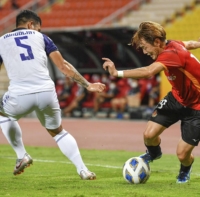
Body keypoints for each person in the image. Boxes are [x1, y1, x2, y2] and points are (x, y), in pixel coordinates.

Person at [0, 10, 105, 180]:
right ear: (30, 25)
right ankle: (83, 170)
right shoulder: (42, 38)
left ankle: (21, 155)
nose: (39, 31)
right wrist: (87, 85)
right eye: (38, 28)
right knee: (58, 132)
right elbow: (63, 66)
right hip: (46, 93)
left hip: (19, 95)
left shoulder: (1, 41)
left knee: (3, 115)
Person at [102, 21, 200, 183]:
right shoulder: (173, 45)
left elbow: (148, 72)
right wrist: (197, 43)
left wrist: (116, 72)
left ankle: (185, 169)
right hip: (176, 98)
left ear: (156, 42)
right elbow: (187, 43)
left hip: (197, 107)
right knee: (149, 135)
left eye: (145, 46)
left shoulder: (171, 54)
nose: (144, 51)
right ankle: (154, 153)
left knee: (182, 155)